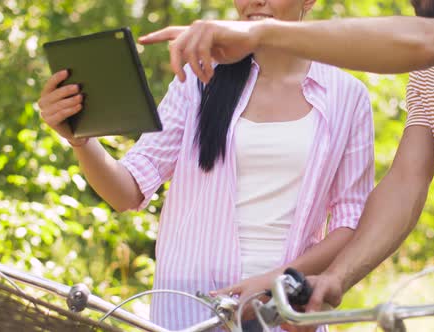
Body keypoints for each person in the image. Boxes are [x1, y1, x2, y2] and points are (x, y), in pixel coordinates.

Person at [138, 0, 434, 331]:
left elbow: (427, 41)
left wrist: (260, 32)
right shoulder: (432, 76)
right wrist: (337, 277)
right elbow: (405, 183)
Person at [37, 0, 374, 329]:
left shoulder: (347, 96)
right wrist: (81, 140)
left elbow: (350, 222)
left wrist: (280, 280)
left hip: (284, 310)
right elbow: (126, 192)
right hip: (190, 308)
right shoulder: (199, 78)